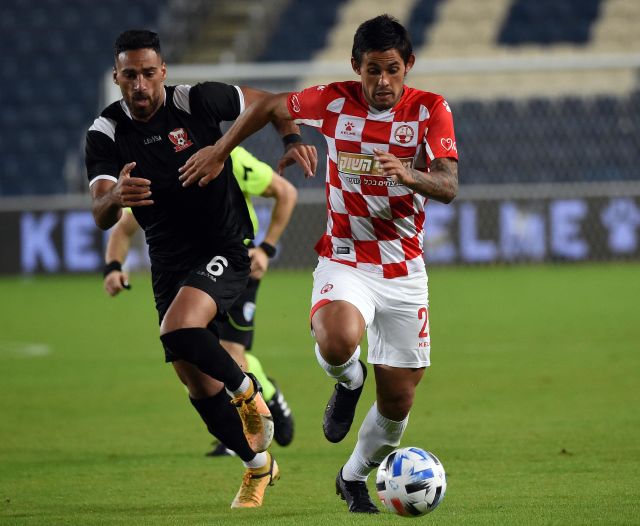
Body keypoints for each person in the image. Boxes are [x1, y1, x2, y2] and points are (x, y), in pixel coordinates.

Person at [177, 14, 458, 514]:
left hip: (403, 269)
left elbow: (449, 185)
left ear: (409, 65)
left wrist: (410, 176)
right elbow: (269, 105)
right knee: (337, 340)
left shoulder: (431, 109)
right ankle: (349, 380)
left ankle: (352, 477)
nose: (383, 81)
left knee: (398, 403)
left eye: (392, 69)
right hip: (344, 257)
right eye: (372, 70)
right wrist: (226, 149)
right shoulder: (332, 100)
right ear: (356, 66)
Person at [85, 29, 316, 508]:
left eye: (149, 73)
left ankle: (248, 390)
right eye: (130, 76)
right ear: (117, 77)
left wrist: (284, 139)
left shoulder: (196, 101)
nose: (140, 84)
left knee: (179, 329)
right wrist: (115, 196)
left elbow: (273, 103)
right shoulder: (105, 132)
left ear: (163, 71)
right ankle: (258, 466)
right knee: (196, 383)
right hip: (168, 263)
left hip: (224, 246)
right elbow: (101, 213)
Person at [103, 146, 298, 454]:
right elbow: (124, 227)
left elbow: (285, 192)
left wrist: (266, 249)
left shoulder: (233, 157)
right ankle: (244, 425)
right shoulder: (159, 164)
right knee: (195, 356)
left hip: (235, 263)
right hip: (187, 272)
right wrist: (113, 267)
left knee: (229, 354)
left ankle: (263, 405)